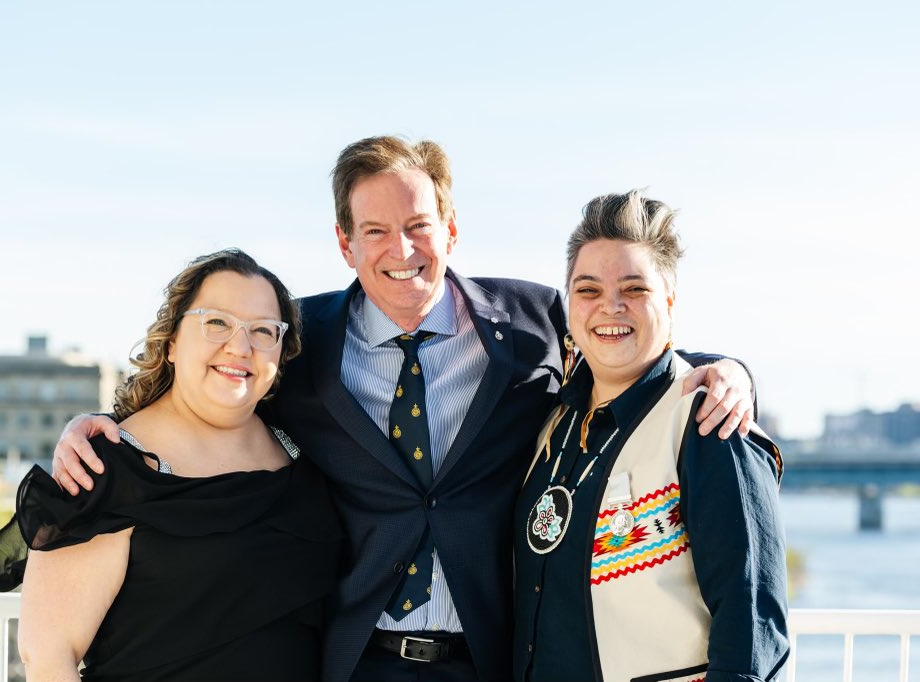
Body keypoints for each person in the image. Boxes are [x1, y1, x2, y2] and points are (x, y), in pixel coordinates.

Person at [51, 137, 757, 682]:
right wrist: (106, 425)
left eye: (418, 225)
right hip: (353, 655)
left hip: (491, 655)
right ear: (345, 242)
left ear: (451, 228)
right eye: (376, 231)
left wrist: (729, 372)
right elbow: (215, 388)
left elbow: (624, 340)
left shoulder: (534, 318)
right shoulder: (302, 339)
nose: (401, 250)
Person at [0, 249, 342, 681]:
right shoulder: (101, 467)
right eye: (217, 322)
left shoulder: (302, 452)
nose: (240, 346)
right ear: (172, 342)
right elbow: (48, 656)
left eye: (263, 330)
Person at [514, 191, 788, 682]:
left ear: (670, 301)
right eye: (588, 290)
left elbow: (752, 627)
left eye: (635, 288)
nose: (610, 307)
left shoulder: (711, 423)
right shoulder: (551, 426)